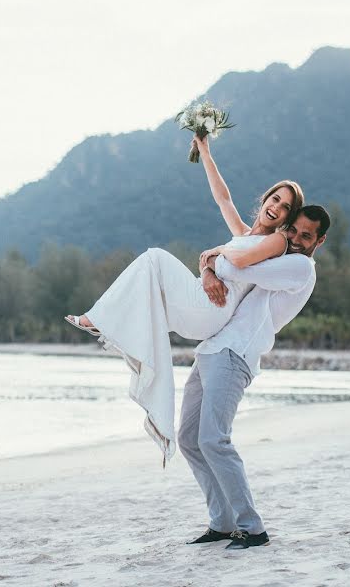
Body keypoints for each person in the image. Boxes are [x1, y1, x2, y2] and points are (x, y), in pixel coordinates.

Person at [65, 136, 304, 462]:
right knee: (151, 288)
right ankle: (112, 329)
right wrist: (205, 152)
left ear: (288, 218)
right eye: (274, 199)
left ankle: (100, 320)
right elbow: (223, 198)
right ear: (265, 200)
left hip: (213, 307)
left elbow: (240, 261)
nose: (276, 207)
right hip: (204, 302)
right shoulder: (245, 235)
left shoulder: (276, 242)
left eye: (285, 207)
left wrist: (212, 256)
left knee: (153, 259)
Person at [179, 204, 330, 550]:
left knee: (214, 439)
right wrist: (209, 269)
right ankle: (222, 523)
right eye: (292, 230)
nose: (294, 239)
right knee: (189, 439)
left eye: (305, 236)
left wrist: (213, 259)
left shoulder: (299, 266)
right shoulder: (280, 253)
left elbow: (239, 267)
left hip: (236, 353)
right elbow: (231, 241)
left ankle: (252, 527)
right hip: (212, 349)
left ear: (318, 241)